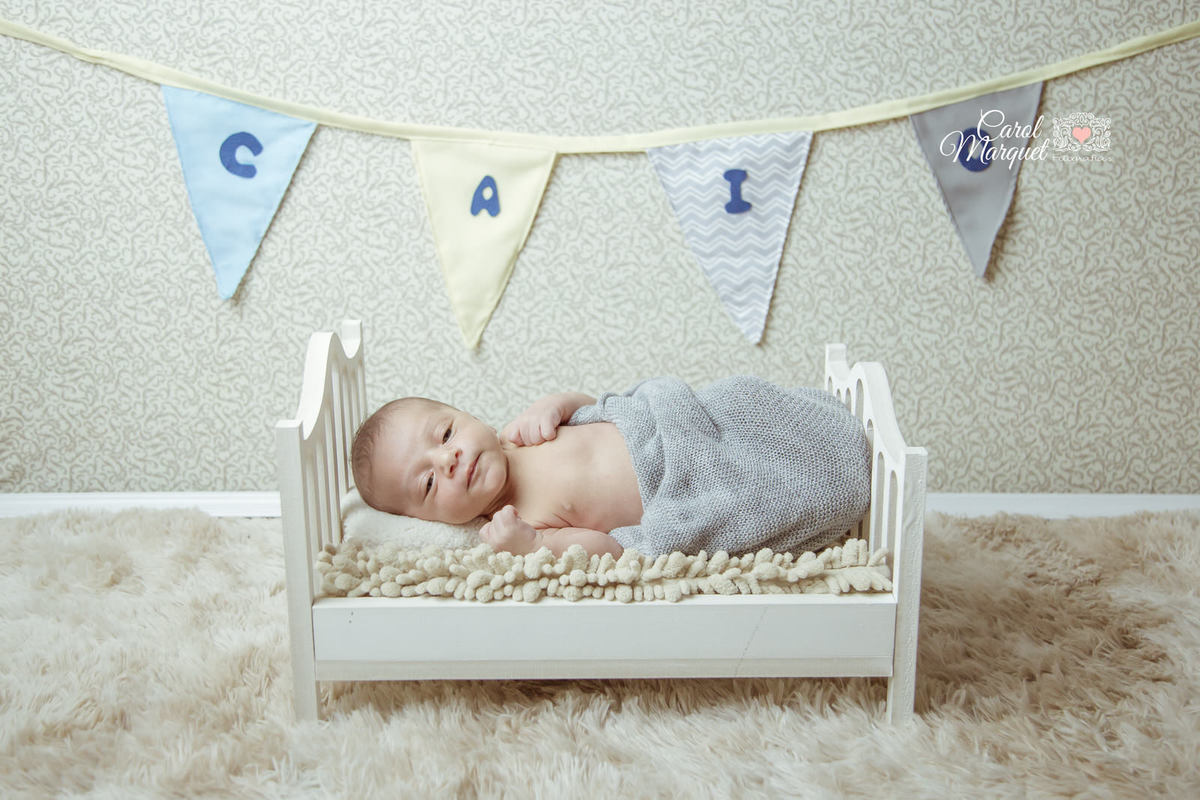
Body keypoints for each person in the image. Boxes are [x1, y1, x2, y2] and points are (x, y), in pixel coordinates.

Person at [350, 376, 871, 560]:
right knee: (762, 494)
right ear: (430, 520)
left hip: (674, 425)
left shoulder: (523, 432)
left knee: (741, 399)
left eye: (445, 434)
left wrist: (556, 403)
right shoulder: (521, 520)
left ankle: (818, 431)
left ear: (467, 415)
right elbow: (606, 549)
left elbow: (596, 408)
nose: (449, 460)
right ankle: (830, 479)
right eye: (428, 482)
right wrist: (532, 546)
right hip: (681, 488)